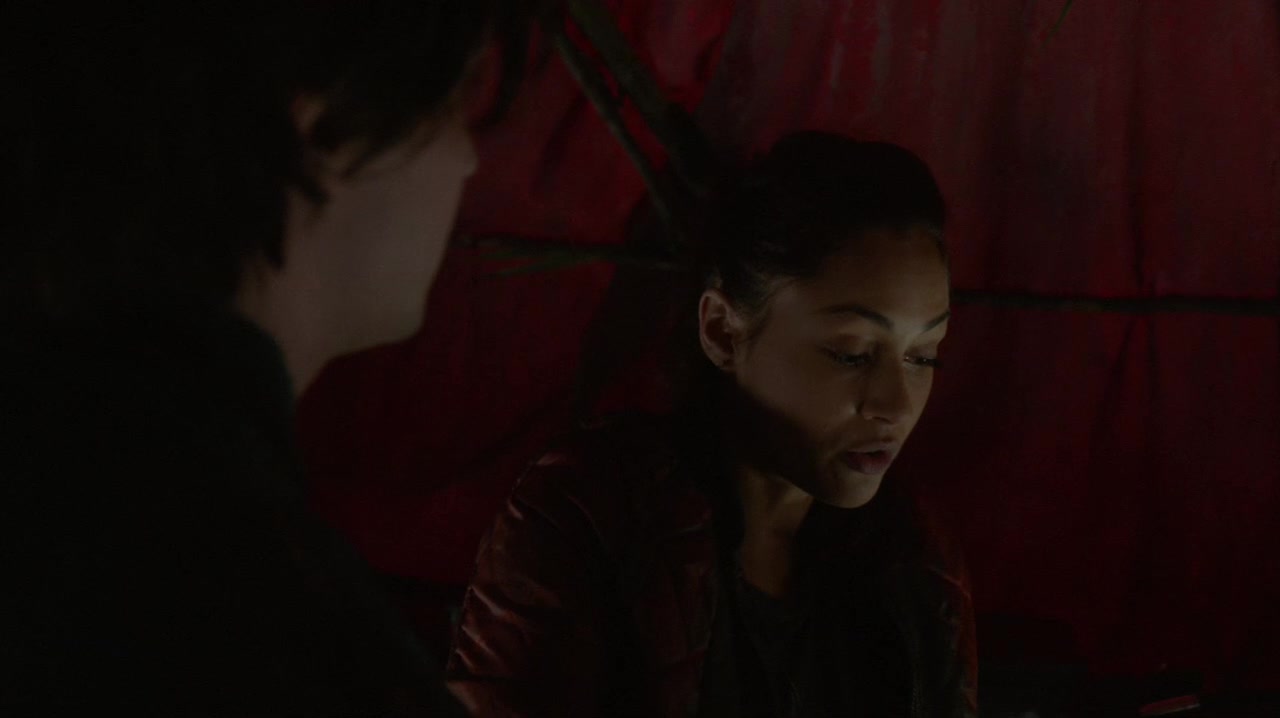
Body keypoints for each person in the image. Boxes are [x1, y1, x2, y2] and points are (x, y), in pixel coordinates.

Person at [1, 2, 538, 715]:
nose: (468, 159)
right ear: (326, 124)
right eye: (451, 109)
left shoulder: (68, 459)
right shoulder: (249, 610)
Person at [446, 132, 979, 717]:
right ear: (723, 331)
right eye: (851, 353)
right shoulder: (589, 512)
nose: (896, 404)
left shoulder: (917, 560)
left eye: (923, 356)